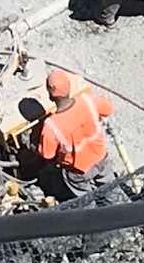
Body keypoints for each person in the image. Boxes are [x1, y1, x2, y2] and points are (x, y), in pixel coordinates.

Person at [35, 68, 117, 200]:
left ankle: (95, 217)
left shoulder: (51, 125)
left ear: (50, 95)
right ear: (69, 88)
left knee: (86, 199)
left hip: (78, 172)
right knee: (112, 189)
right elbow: (108, 108)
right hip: (101, 160)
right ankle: (125, 212)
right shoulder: (88, 101)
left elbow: (47, 154)